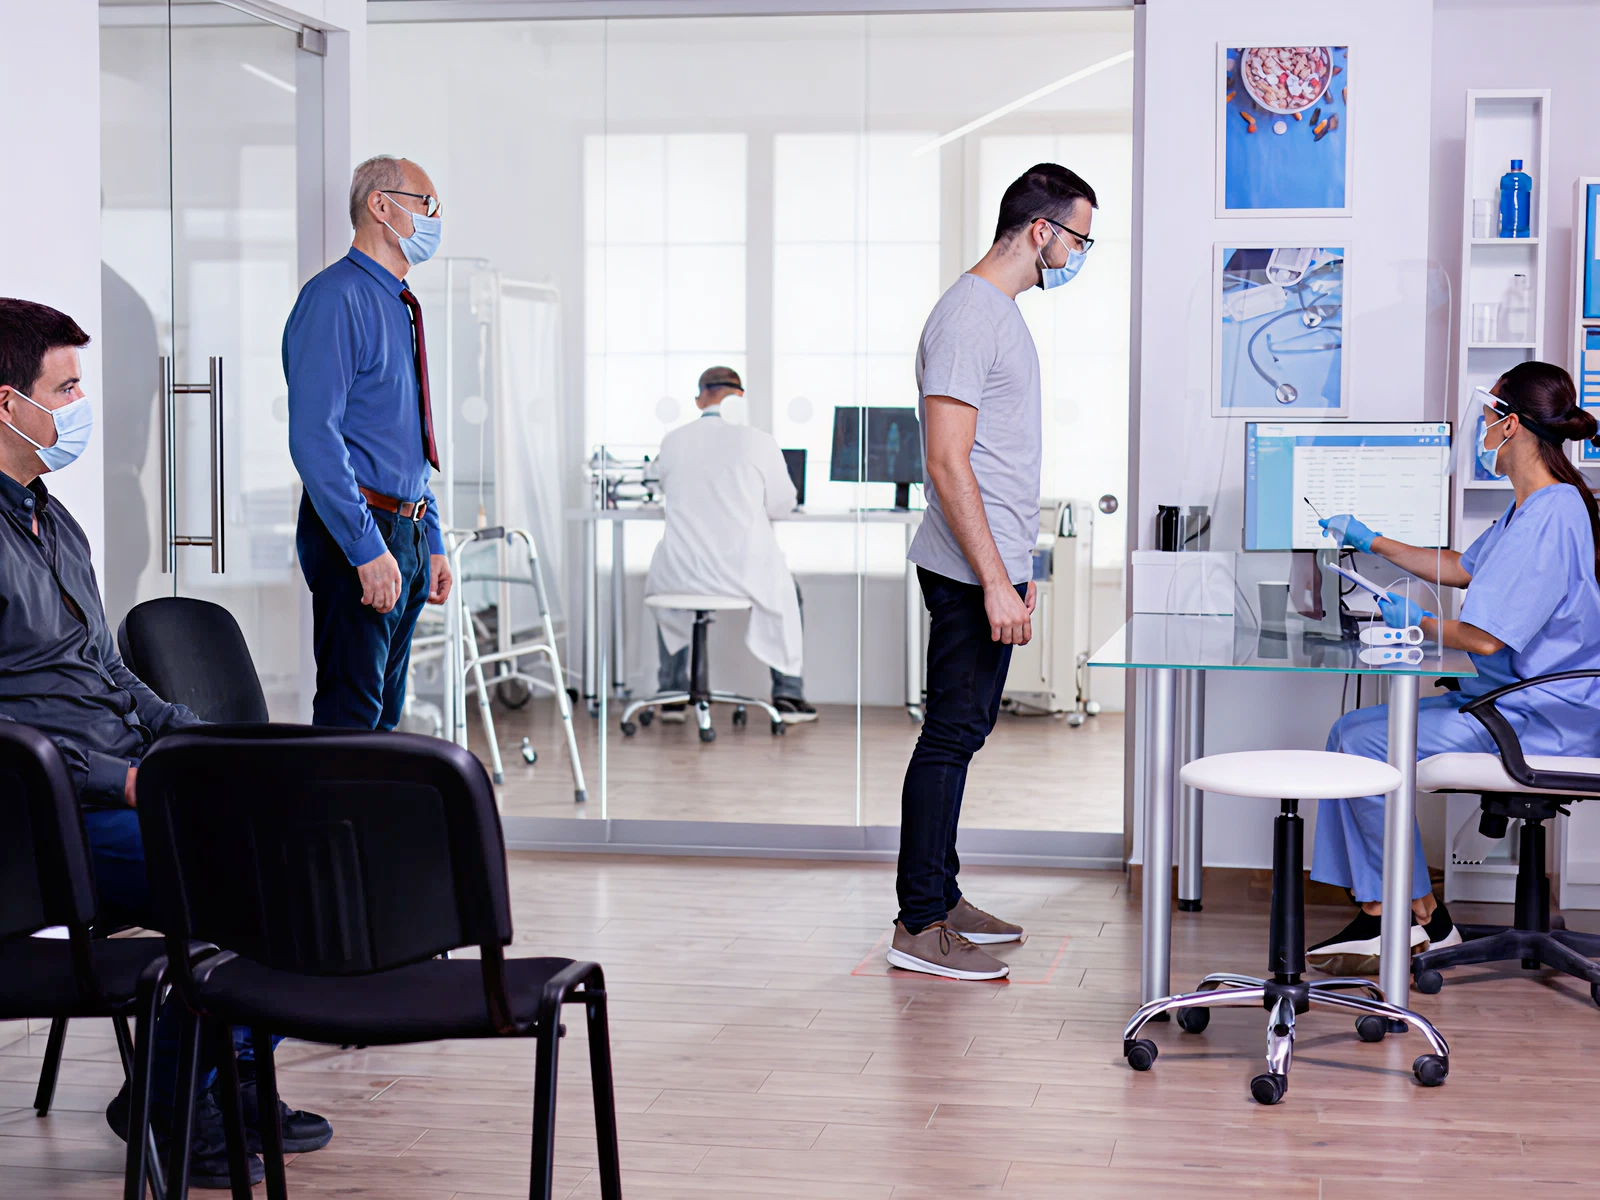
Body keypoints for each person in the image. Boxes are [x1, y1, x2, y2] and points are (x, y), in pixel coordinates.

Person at [0, 298, 330, 1187]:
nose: (81, 405)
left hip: (119, 786)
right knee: (247, 876)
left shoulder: (52, 520)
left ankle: (206, 1086)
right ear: (7, 404)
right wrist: (125, 780)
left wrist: (198, 745)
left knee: (300, 849)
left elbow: (108, 675)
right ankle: (188, 1102)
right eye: (65, 388)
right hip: (46, 814)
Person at [1307, 361, 1600, 974]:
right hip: (1511, 700)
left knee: (1362, 740)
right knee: (1350, 734)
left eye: (1489, 415)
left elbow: (1488, 641)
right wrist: (1371, 539)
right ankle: (1394, 914)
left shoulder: (1551, 513)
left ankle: (1411, 917)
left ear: (1510, 424)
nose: (1481, 430)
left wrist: (1413, 622)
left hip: (1541, 716)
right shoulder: (1534, 506)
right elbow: (1464, 566)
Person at [888, 164, 1097, 981]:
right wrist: (993, 579)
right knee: (948, 736)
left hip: (991, 567)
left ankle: (942, 897)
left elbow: (1003, 463)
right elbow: (947, 462)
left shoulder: (998, 314)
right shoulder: (970, 315)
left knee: (965, 733)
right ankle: (919, 923)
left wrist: (1018, 566)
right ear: (1041, 230)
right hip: (966, 573)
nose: (1080, 255)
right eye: (1079, 239)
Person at [284, 154, 453, 730]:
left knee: (384, 714)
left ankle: (370, 824)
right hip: (360, 529)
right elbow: (314, 438)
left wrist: (429, 537)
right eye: (426, 205)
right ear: (381, 207)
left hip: (402, 527)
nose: (434, 219)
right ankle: (326, 824)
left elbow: (404, 438)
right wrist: (365, 548)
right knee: (350, 716)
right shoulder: (335, 298)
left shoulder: (399, 304)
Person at [645, 366, 816, 723]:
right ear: (740, 398)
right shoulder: (759, 440)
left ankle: (672, 692)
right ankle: (787, 695)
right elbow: (782, 505)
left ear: (699, 398)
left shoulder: (673, 441)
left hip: (681, 573)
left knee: (669, 590)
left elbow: (658, 485)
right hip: (742, 574)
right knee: (789, 591)